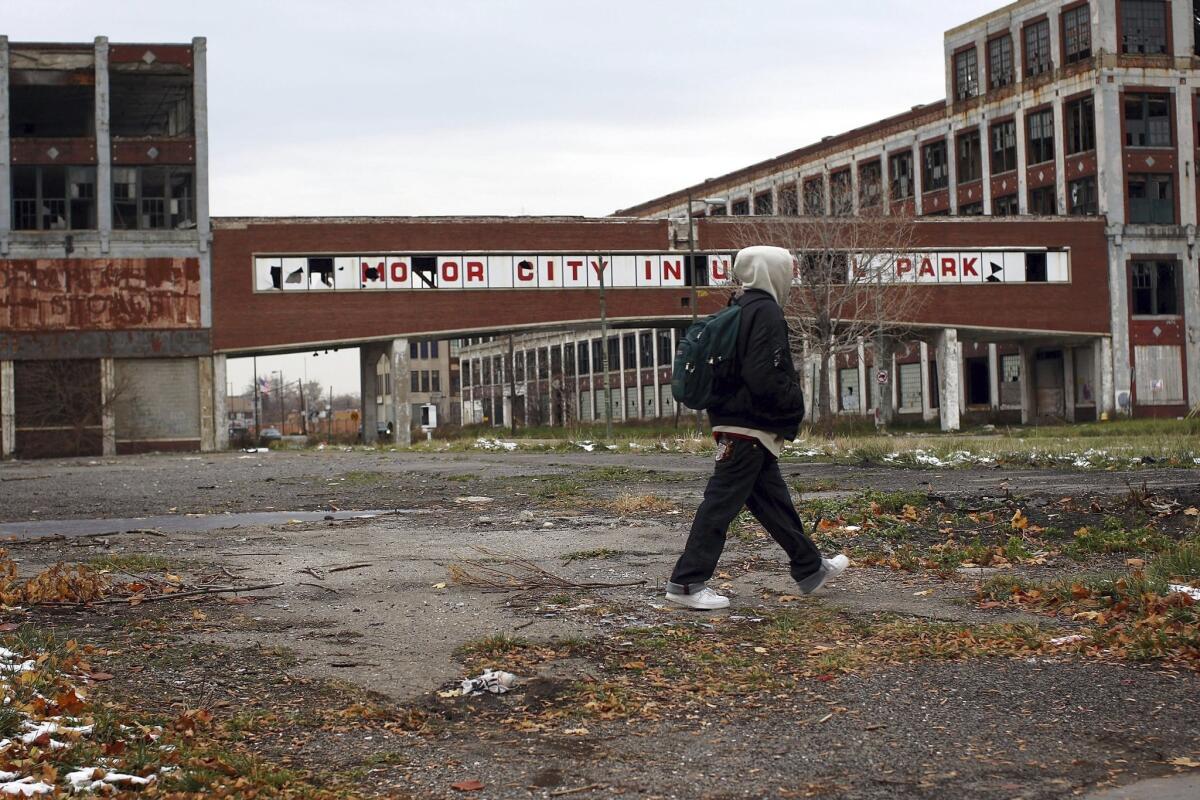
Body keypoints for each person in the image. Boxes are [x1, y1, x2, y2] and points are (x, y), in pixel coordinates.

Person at [666, 245, 849, 610]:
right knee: (719, 504)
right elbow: (765, 374)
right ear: (772, 272)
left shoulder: (740, 307)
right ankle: (686, 583)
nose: (792, 279)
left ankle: (810, 567)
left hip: (738, 424)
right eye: (788, 271)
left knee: (773, 502)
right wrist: (793, 404)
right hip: (747, 427)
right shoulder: (765, 311)